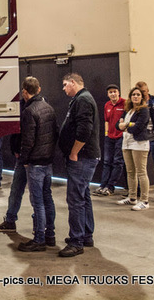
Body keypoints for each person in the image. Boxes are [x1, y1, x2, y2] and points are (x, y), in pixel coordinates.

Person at [58, 73, 100, 257]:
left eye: (65, 84)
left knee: (75, 199)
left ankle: (76, 241)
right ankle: (86, 235)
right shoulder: (81, 99)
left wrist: (74, 151)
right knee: (83, 196)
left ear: (73, 82)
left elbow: (84, 130)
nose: (63, 88)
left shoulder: (83, 100)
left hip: (82, 158)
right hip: (85, 157)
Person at [16, 77, 58, 252]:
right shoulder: (49, 108)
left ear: (25, 92)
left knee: (37, 202)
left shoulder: (29, 111)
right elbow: (55, 133)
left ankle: (39, 238)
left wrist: (24, 160)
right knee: (47, 198)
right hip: (47, 162)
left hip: (35, 163)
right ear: (38, 89)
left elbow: (28, 140)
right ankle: (50, 235)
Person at [116, 87, 151, 210]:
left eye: (138, 94)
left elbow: (139, 127)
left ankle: (145, 201)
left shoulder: (144, 110)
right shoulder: (128, 110)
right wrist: (126, 125)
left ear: (142, 97)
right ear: (130, 97)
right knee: (130, 172)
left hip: (139, 144)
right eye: (133, 94)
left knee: (141, 172)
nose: (135, 96)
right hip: (126, 143)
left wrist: (125, 126)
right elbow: (117, 124)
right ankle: (132, 197)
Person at [95, 84, 126, 196]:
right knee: (107, 161)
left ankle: (110, 186)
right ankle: (103, 185)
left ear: (118, 92)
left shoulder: (125, 103)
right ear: (108, 95)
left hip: (121, 137)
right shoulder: (107, 105)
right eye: (110, 92)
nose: (113, 94)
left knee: (117, 162)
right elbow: (106, 121)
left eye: (114, 91)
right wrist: (107, 134)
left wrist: (123, 133)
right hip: (110, 137)